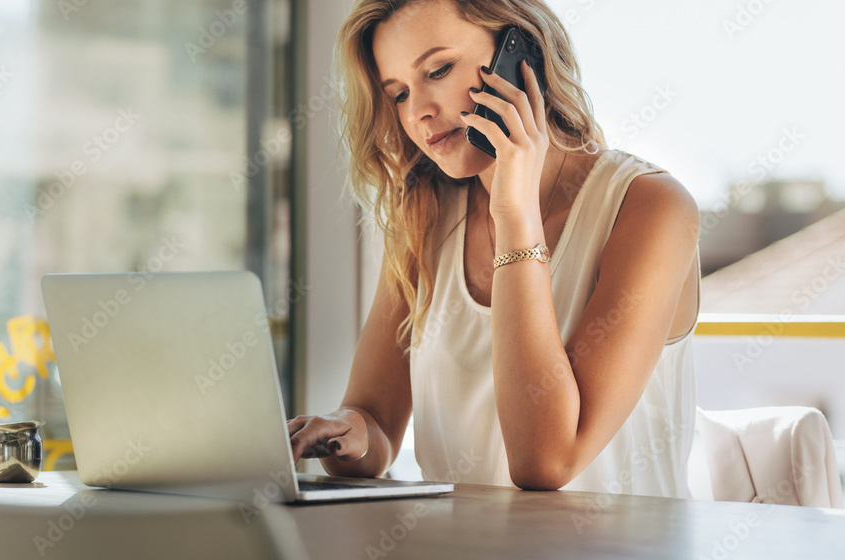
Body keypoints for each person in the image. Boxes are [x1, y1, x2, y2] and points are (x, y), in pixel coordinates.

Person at [286, 0, 701, 496]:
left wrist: (515, 215)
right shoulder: (425, 215)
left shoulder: (651, 207)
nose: (419, 112)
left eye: (438, 70)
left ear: (521, 54)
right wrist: (346, 432)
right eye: (397, 94)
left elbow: (546, 461)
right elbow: (375, 422)